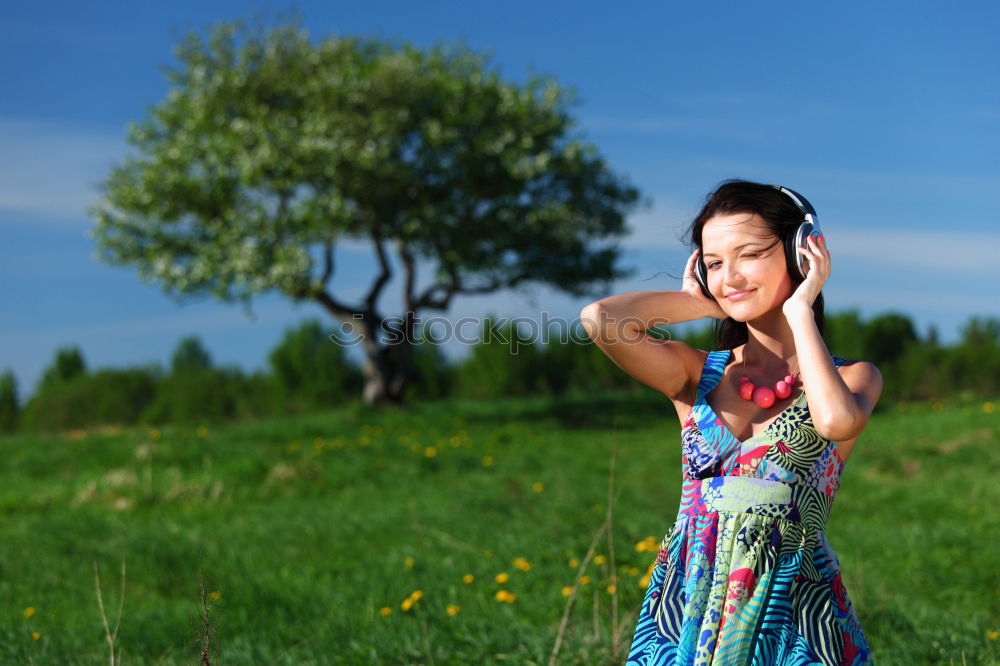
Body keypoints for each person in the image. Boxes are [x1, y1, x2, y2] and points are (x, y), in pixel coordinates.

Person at [580, 179, 881, 665]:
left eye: (749, 254)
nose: (731, 276)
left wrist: (799, 309)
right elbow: (600, 320)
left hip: (792, 609)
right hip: (689, 606)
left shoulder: (852, 377)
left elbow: (836, 422)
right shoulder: (696, 374)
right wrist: (700, 302)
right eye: (715, 262)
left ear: (799, 252)